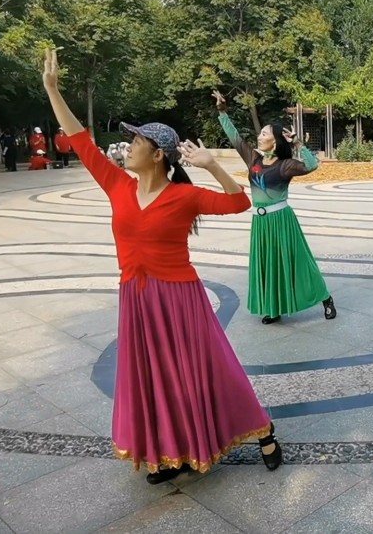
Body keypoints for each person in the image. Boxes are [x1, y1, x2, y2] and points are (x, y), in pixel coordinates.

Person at [41, 49, 282, 483]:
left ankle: (262, 428)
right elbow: (80, 140)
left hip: (180, 298)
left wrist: (213, 166)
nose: (127, 148)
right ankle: (174, 453)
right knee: (155, 378)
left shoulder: (183, 196)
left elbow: (239, 202)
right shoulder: (118, 184)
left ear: (158, 156)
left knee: (206, 370)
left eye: (135, 143)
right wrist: (53, 91)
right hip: (137, 296)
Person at [213, 90, 336, 325]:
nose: (259, 136)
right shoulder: (254, 159)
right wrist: (222, 112)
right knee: (268, 264)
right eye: (260, 133)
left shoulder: (286, 165)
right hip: (260, 223)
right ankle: (274, 307)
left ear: (275, 140)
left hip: (282, 220)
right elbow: (235, 137)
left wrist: (298, 143)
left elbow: (312, 165)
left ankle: (325, 298)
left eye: (264, 133)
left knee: (297, 262)